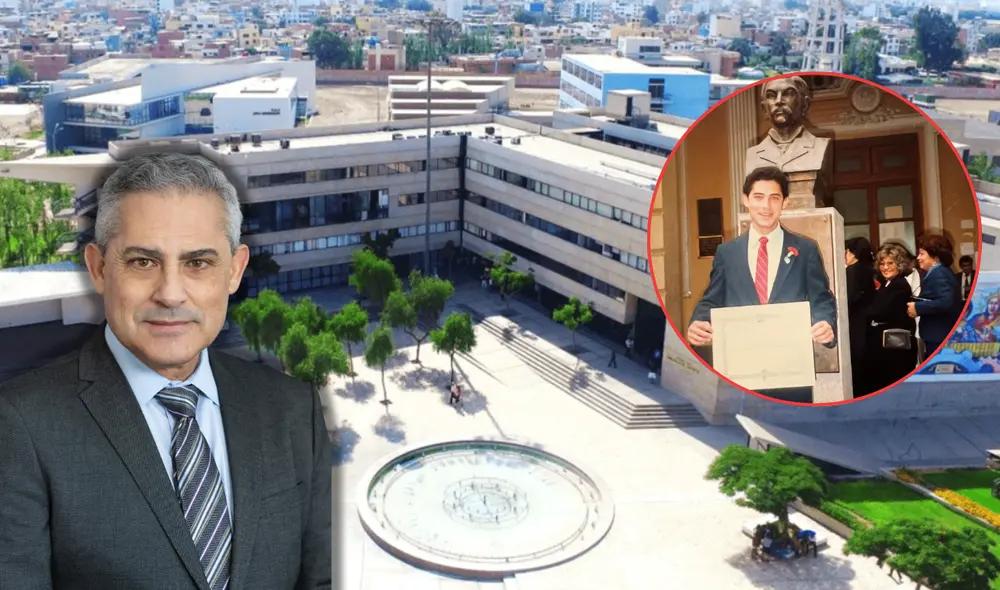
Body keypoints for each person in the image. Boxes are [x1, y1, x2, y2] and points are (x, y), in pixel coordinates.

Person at [0, 153, 332, 589]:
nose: (171, 294)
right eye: (142, 262)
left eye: (198, 263)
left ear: (234, 271)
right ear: (99, 268)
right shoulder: (21, 426)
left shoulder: (293, 410)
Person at [687, 166, 837, 402]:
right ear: (746, 200)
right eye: (758, 197)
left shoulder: (805, 249)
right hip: (741, 370)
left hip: (791, 369)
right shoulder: (727, 253)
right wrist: (699, 320)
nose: (766, 207)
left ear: (784, 203)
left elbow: (821, 298)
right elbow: (712, 297)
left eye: (774, 198)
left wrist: (825, 322)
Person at [864, 243, 918, 395]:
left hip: (895, 349)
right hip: (888, 347)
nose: (885, 267)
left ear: (899, 265)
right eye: (882, 263)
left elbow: (879, 310)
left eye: (890, 263)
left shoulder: (899, 285)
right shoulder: (888, 284)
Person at [907, 234, 962, 359]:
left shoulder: (939, 273)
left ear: (935, 257)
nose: (918, 258)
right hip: (937, 334)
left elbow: (945, 301)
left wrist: (918, 307)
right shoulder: (938, 272)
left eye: (922, 254)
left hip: (939, 336)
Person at [845, 237, 877, 396]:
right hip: (869, 320)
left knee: (856, 362)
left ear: (852, 253)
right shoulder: (871, 270)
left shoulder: (851, 271)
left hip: (855, 320)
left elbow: (850, 297)